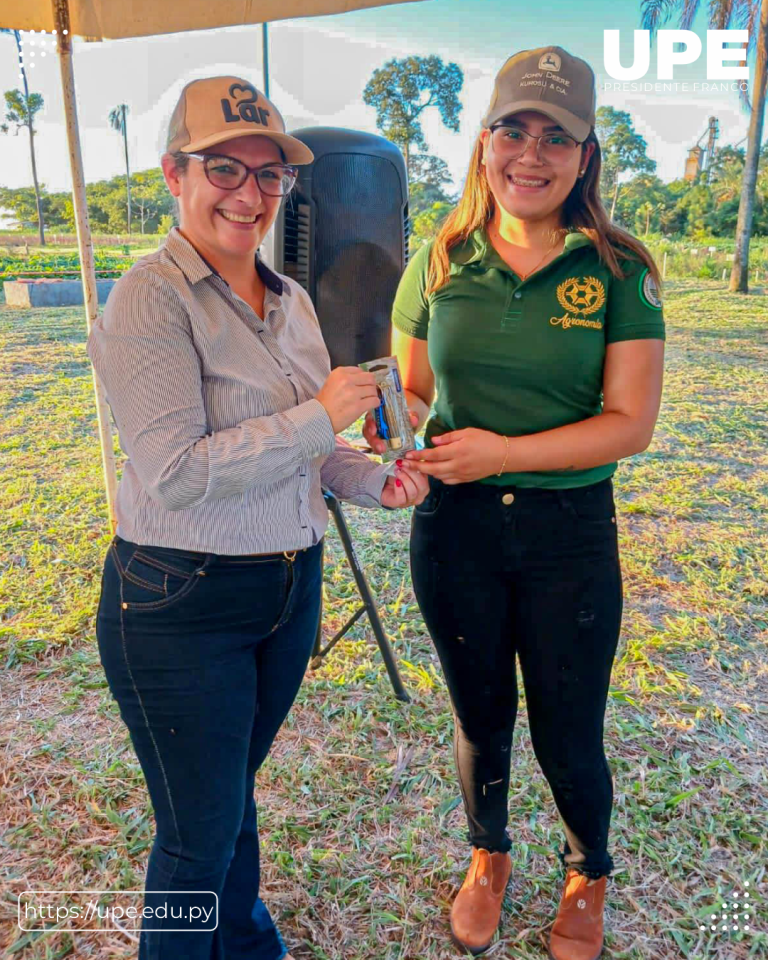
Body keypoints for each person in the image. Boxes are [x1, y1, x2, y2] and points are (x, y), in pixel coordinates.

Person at [87, 76, 426, 960]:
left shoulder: (295, 301)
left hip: (286, 592)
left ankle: (243, 942)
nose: (249, 193)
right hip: (180, 602)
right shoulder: (149, 300)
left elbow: (307, 455)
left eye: (270, 175)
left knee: (231, 798)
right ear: (175, 172)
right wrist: (322, 415)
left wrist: (366, 481)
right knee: (196, 834)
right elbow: (175, 473)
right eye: (224, 169)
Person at [365, 46, 665, 959]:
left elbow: (629, 424)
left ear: (585, 156)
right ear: (484, 142)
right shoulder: (440, 256)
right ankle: (488, 856)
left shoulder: (618, 268)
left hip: (568, 531)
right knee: (479, 712)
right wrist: (394, 427)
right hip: (452, 528)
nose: (529, 156)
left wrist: (504, 452)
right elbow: (413, 391)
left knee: (569, 723)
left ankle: (587, 871)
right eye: (513, 132)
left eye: (555, 137)